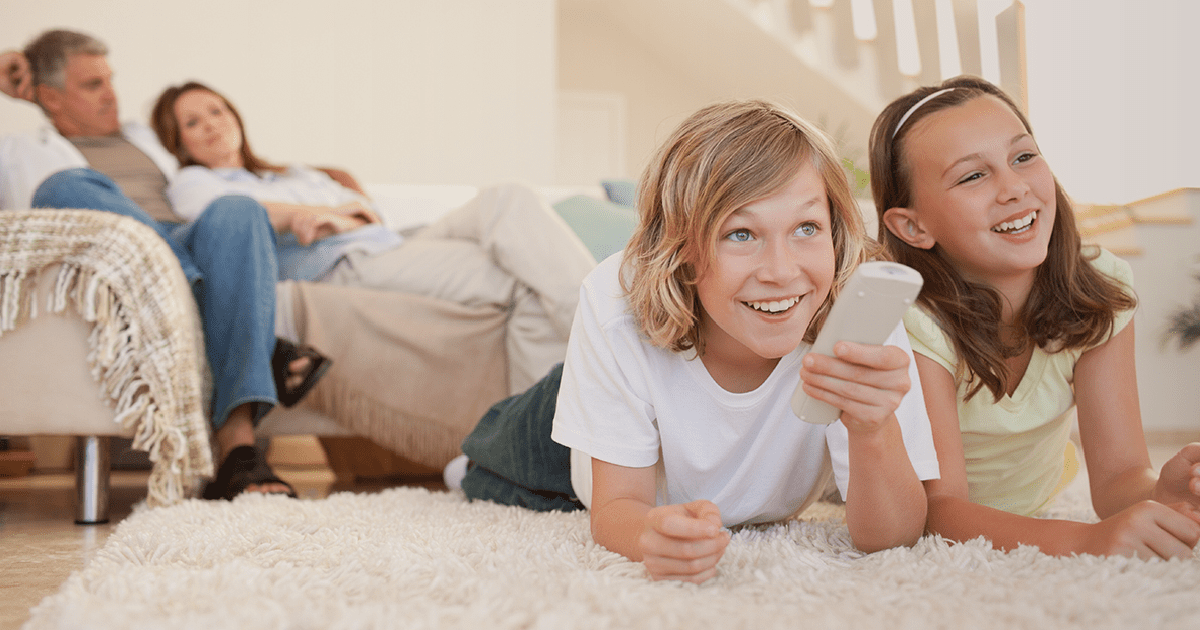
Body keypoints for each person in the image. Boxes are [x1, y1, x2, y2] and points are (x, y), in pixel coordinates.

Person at [448, 100, 942, 583]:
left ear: (835, 230)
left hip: (682, 451)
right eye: (741, 234)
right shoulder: (615, 301)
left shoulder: (859, 315)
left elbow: (892, 538)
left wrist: (873, 429)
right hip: (581, 439)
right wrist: (645, 536)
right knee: (483, 470)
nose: (781, 271)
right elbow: (615, 507)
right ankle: (466, 462)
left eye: (806, 228)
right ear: (682, 248)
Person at [870, 75, 1200, 560]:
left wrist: (1160, 494)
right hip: (905, 499)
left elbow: (1117, 479)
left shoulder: (1100, 288)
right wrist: (1087, 540)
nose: (1014, 188)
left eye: (1023, 157)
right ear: (913, 226)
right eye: (972, 176)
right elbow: (940, 511)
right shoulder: (914, 322)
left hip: (1035, 499)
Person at [0, 30, 327, 500]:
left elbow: (220, 155)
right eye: (92, 84)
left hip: (182, 242)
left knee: (238, 209)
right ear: (48, 96)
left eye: (109, 79)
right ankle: (205, 304)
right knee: (62, 185)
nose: (110, 93)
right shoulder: (21, 151)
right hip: (115, 260)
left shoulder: (144, 137)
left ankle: (237, 449)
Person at [149, 81, 598, 393]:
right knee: (522, 282)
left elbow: (368, 213)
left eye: (216, 110)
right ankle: (600, 346)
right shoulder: (193, 183)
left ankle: (598, 324)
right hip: (346, 265)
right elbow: (235, 220)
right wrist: (321, 214)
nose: (211, 124)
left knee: (508, 197)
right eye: (192, 122)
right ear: (179, 142)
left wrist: (333, 216)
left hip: (392, 242)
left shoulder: (293, 174)